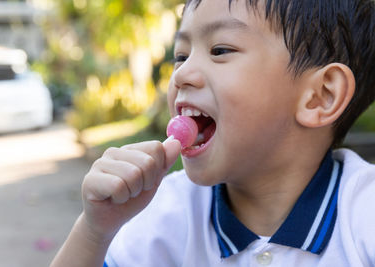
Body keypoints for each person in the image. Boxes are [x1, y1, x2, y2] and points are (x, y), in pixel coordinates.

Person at [50, 0, 375, 266]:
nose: (182, 74)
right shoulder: (165, 214)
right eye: (181, 55)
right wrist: (95, 231)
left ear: (321, 96)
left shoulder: (364, 215)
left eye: (220, 50)